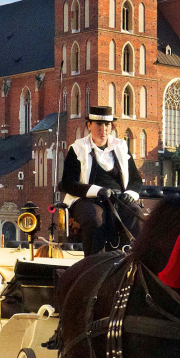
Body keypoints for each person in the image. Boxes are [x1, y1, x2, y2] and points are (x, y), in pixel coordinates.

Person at [57, 104, 146, 254]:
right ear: (89, 125)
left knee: (137, 216)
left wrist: (130, 195)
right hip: (86, 199)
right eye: (98, 124)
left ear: (111, 127)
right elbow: (67, 183)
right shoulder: (77, 148)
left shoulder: (121, 147)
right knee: (96, 220)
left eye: (107, 125)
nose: (103, 129)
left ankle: (134, 263)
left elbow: (136, 179)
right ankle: (94, 265)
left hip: (118, 199)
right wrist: (97, 191)